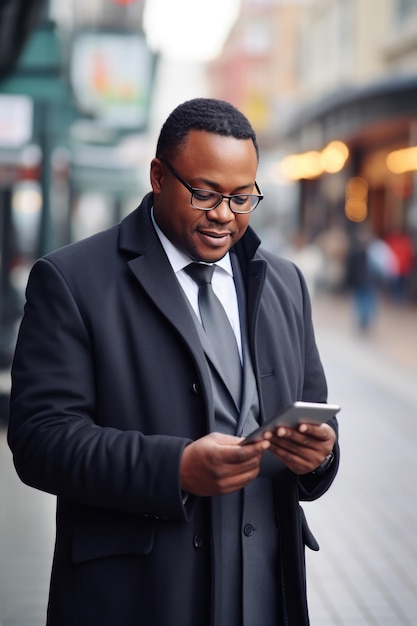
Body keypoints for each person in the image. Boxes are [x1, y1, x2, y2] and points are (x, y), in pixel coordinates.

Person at [8, 98, 339, 626]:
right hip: (139, 596)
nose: (224, 215)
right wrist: (176, 468)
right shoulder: (71, 280)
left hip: (266, 592)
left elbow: (312, 423)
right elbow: (39, 439)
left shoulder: (284, 282)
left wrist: (319, 457)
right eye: (205, 193)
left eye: (242, 197)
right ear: (158, 176)